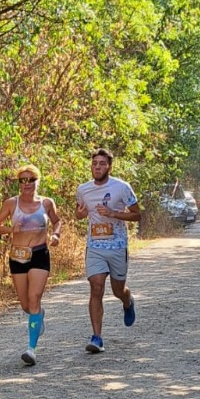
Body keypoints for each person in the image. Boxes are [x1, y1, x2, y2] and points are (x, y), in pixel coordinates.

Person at [0, 166, 62, 366]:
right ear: (18, 183)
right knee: (26, 305)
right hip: (18, 256)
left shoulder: (47, 203)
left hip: (40, 254)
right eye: (22, 180)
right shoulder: (10, 203)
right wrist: (9, 229)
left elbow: (57, 221)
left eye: (31, 179)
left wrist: (55, 235)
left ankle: (31, 349)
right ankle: (38, 315)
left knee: (34, 297)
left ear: (37, 182)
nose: (27, 184)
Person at [75, 147, 140, 353]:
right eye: (95, 163)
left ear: (109, 166)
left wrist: (113, 213)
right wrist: (80, 214)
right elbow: (79, 215)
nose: (97, 167)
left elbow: (137, 215)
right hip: (95, 246)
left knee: (117, 290)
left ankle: (127, 301)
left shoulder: (122, 187)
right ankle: (97, 338)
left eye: (102, 163)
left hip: (118, 246)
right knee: (96, 287)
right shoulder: (83, 189)